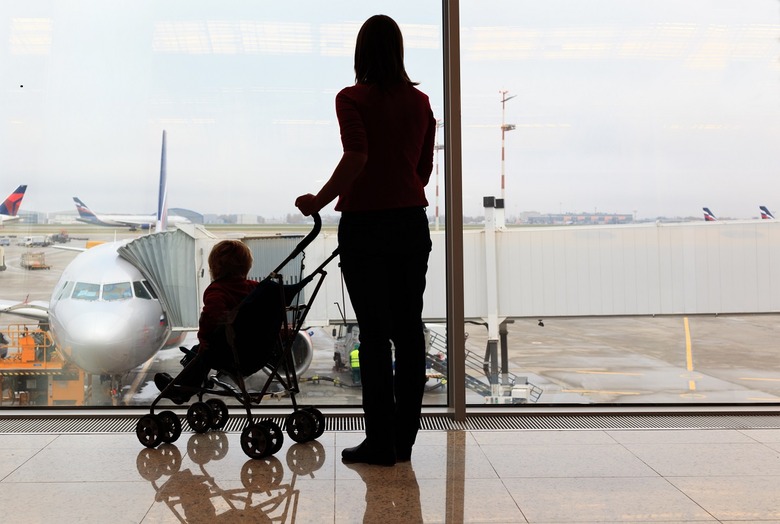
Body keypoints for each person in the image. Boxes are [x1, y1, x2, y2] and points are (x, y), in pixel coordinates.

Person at [295, 14, 435, 466]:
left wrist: (317, 200)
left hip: (367, 227)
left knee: (374, 336)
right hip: (410, 223)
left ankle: (380, 442)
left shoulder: (351, 98)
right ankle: (404, 440)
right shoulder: (421, 103)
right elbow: (422, 172)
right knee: (409, 333)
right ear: (398, 51)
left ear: (361, 53)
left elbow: (357, 155)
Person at [155, 240, 259, 403]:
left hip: (231, 354)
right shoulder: (256, 289)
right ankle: (187, 383)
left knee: (202, 354)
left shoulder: (218, 290)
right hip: (255, 351)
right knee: (200, 353)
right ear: (247, 267)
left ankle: (182, 389)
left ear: (214, 269)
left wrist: (203, 339)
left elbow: (211, 319)